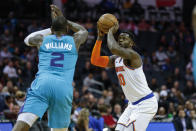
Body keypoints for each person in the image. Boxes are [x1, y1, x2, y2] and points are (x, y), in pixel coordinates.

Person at [12, 5, 88, 131]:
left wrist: (50, 29)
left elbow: (27, 40)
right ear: (67, 28)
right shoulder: (74, 41)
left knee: (22, 123)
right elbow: (83, 31)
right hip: (63, 88)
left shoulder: (42, 40)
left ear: (53, 29)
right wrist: (64, 20)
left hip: (42, 84)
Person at [90, 23, 158, 130]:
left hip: (146, 103)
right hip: (132, 104)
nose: (121, 40)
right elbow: (95, 60)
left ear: (131, 43)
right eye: (120, 38)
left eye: (124, 38)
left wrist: (110, 32)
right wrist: (99, 38)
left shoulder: (133, 55)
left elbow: (113, 48)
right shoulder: (116, 58)